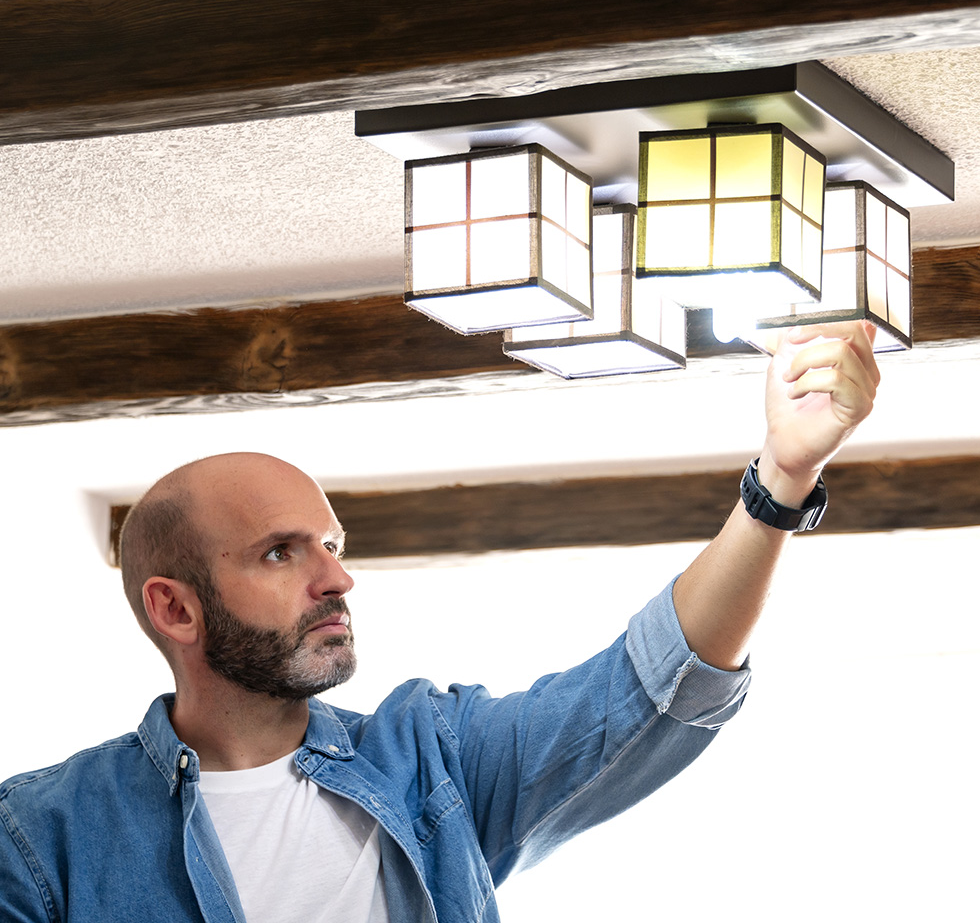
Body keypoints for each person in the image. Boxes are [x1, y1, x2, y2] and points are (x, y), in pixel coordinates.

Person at [0, 321, 880, 923]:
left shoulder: (430, 761)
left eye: (332, 544)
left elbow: (653, 688)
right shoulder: (41, 835)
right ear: (175, 607)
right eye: (281, 552)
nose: (336, 578)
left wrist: (781, 482)